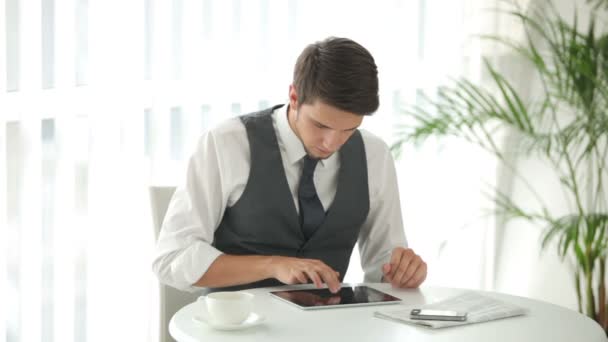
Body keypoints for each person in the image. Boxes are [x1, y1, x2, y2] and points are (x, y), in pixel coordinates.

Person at [152, 37, 427, 294]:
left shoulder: (374, 155)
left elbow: (384, 262)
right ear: (294, 97)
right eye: (320, 125)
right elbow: (172, 258)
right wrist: (272, 264)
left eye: (349, 130)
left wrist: (402, 272)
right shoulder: (228, 144)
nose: (331, 143)